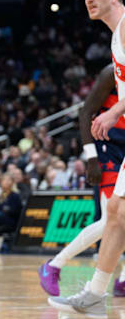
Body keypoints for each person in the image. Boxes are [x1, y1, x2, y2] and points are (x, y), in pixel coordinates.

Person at [49, 0, 125, 317]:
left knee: (117, 213)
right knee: (115, 212)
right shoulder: (115, 40)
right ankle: (95, 292)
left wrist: (112, 115)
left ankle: (78, 279)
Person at [39, 64, 125, 296]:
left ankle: (123, 280)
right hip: (108, 146)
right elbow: (85, 112)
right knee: (111, 220)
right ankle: (54, 265)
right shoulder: (111, 71)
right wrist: (91, 158)